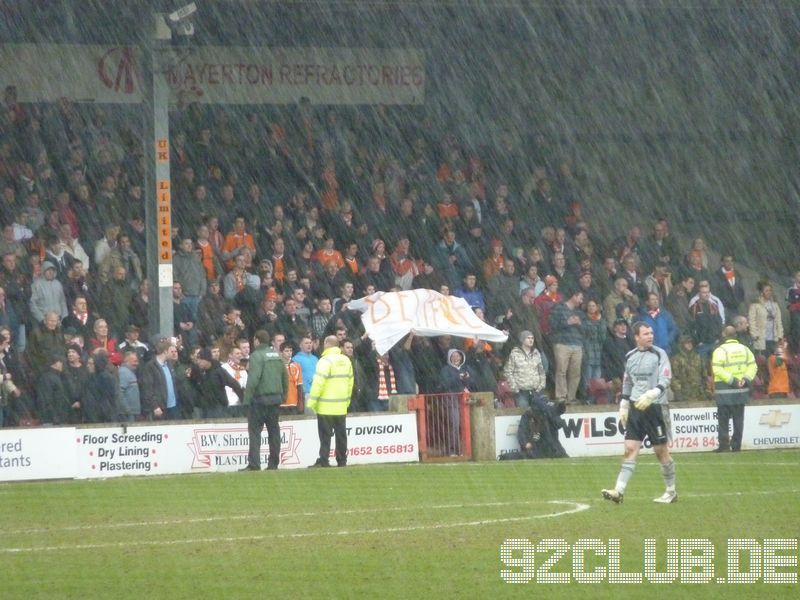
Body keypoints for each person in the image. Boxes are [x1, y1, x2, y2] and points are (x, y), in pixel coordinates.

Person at [602, 322, 677, 504]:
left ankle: (671, 491)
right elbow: (627, 381)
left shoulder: (660, 354)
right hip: (636, 407)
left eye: (651, 333)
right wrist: (625, 403)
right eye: (645, 334)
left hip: (655, 407)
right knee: (629, 449)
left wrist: (654, 393)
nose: (650, 336)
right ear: (636, 337)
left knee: (660, 451)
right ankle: (618, 491)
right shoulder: (630, 356)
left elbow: (666, 378)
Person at [241, 330, 288, 471]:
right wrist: (283, 396)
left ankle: (254, 464)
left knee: (255, 432)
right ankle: (273, 463)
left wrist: (246, 400)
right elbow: (285, 377)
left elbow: (253, 379)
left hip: (260, 400)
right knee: (274, 431)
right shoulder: (277, 355)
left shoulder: (256, 356)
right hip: (275, 399)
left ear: (256, 340)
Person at [308, 335, 354, 468]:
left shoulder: (325, 361)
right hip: (340, 406)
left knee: (325, 436)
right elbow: (350, 383)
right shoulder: (346, 360)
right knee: (341, 435)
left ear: (327, 344)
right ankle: (342, 460)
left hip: (325, 406)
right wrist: (346, 401)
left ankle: (324, 460)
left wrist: (312, 401)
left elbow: (318, 383)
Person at [711, 326, 757, 452]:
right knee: (738, 420)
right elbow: (753, 367)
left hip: (724, 391)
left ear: (723, 335)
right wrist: (745, 379)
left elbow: (717, 369)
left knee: (723, 420)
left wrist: (732, 380)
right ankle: (736, 446)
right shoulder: (745, 349)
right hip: (741, 392)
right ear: (735, 335)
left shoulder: (719, 351)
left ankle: (724, 446)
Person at [502, 330, 547, 408]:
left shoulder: (536, 353)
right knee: (523, 414)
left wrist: (541, 386)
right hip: (521, 392)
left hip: (535, 391)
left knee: (539, 415)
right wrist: (515, 389)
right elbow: (508, 371)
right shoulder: (514, 353)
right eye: (528, 338)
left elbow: (541, 371)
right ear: (522, 340)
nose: (531, 340)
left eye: (532, 338)